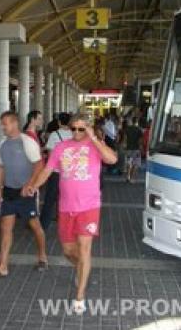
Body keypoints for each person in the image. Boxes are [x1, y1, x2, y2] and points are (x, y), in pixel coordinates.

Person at [24, 113, 118, 313]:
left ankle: (80, 296)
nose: (76, 132)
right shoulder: (61, 148)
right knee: (68, 251)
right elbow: (47, 171)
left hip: (89, 207)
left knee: (84, 250)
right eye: (73, 128)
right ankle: (82, 268)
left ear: (89, 128)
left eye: (81, 129)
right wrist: (34, 186)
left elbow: (112, 159)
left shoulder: (95, 146)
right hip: (66, 207)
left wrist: (94, 138)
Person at [0, 111, 48, 278]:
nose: (3, 127)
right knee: (6, 228)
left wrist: (29, 184)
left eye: (5, 124)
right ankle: (3, 266)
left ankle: (42, 256)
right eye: (2, 124)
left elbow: (39, 165)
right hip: (9, 191)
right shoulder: (2, 144)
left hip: (26, 192)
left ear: (14, 123)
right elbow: (1, 168)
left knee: (35, 226)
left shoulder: (27, 142)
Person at [40, 113, 72, 230]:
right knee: (67, 198)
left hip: (56, 171)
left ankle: (44, 224)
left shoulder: (54, 135)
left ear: (59, 122)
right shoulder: (73, 134)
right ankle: (67, 223)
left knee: (50, 198)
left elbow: (50, 154)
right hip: (69, 173)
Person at [123, 117, 144, 183]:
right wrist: (141, 148)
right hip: (136, 149)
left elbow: (125, 138)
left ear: (132, 121)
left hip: (128, 148)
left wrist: (125, 145)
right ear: (137, 121)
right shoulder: (139, 129)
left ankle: (127, 177)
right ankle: (131, 178)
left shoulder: (127, 129)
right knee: (135, 163)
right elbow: (140, 140)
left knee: (129, 162)